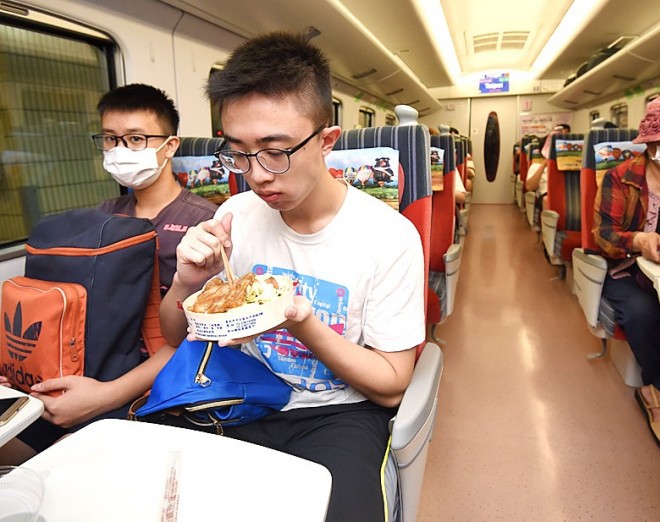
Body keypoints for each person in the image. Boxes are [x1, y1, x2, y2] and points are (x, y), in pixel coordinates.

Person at [158, 31, 425, 521]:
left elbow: (390, 385)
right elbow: (176, 337)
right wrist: (186, 282)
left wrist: (301, 322)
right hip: (242, 393)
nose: (257, 175)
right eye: (238, 152)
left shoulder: (390, 236)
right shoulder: (237, 213)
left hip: (338, 413)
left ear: (327, 141)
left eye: (274, 150)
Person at [0, 84, 217, 464]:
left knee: (57, 466)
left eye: (136, 139)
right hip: (85, 365)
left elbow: (195, 340)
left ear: (169, 146)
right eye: (110, 139)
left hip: (151, 379)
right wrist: (22, 368)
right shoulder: (102, 215)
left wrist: (104, 395)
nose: (120, 151)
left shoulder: (203, 223)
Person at [592, 90, 660, 453]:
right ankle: (658, 387)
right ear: (653, 141)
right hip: (629, 270)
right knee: (644, 311)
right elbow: (603, 236)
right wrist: (639, 240)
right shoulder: (619, 178)